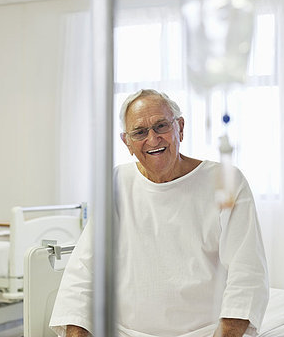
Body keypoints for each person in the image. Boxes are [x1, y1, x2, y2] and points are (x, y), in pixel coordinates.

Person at [50, 89, 269, 337]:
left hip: (206, 333)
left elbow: (247, 271)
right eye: (140, 132)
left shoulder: (225, 181)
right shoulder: (117, 182)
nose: (153, 139)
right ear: (127, 143)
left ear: (181, 128)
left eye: (161, 126)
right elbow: (84, 270)